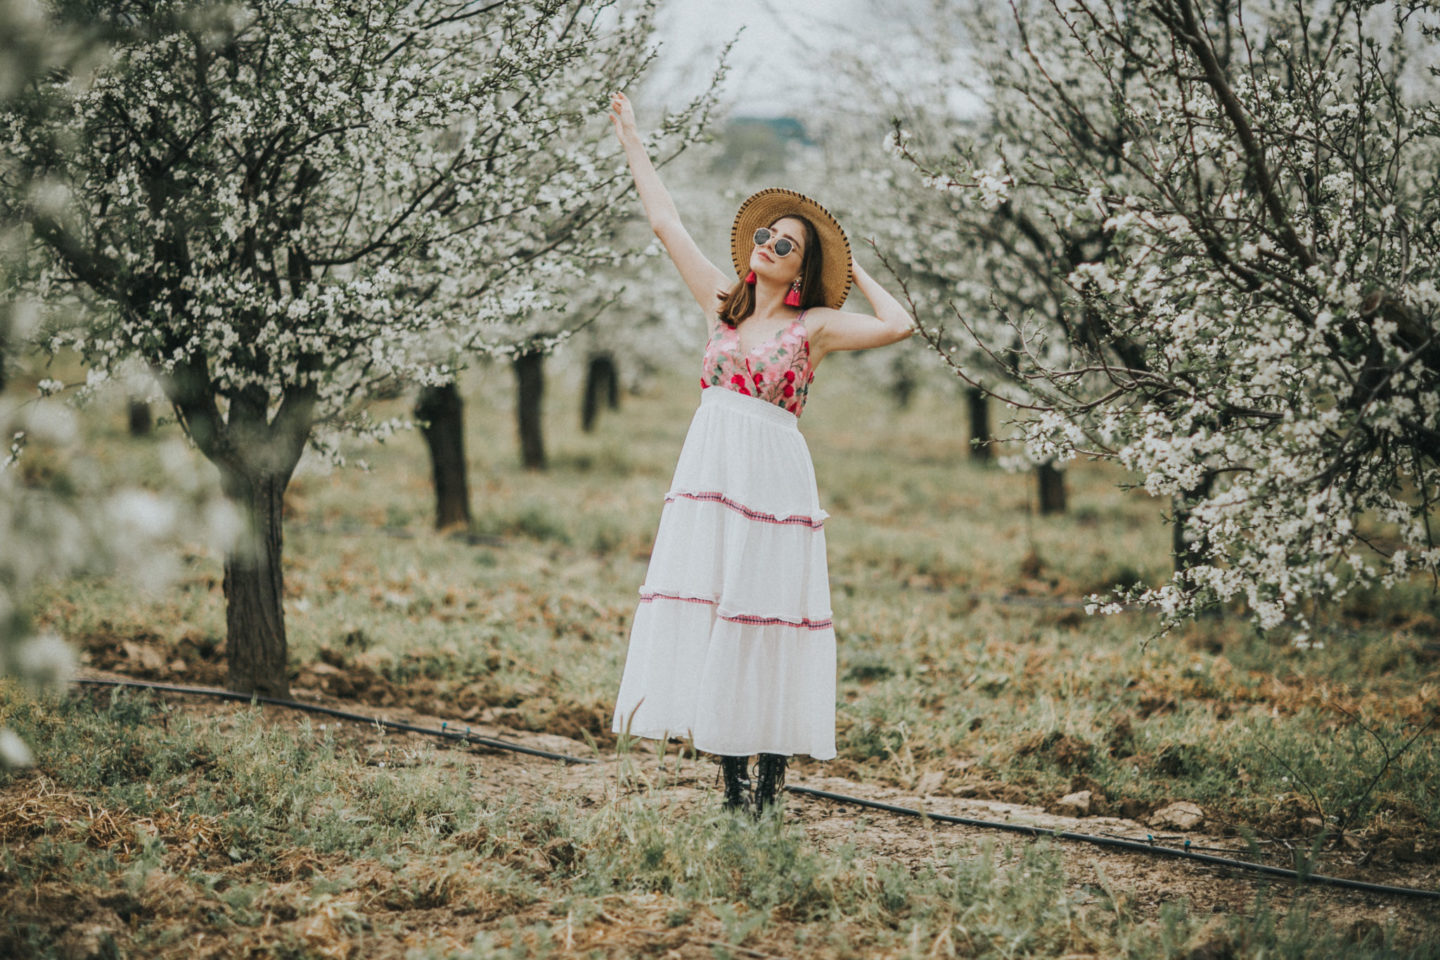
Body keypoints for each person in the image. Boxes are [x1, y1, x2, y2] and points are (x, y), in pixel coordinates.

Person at [608, 92, 913, 816]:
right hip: (710, 473)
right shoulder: (721, 303)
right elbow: (665, 222)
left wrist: (855, 265)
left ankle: (772, 782)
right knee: (718, 609)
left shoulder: (817, 327)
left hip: (773, 475)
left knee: (769, 615)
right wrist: (629, 135)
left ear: (801, 272)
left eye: (786, 246)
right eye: (765, 237)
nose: (768, 246)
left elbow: (900, 324)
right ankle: (732, 786)